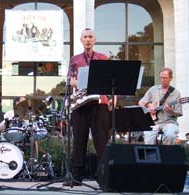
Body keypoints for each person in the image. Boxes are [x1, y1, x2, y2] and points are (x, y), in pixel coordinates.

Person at [63, 28, 114, 186]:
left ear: (95, 40)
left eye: (90, 37)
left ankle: (104, 178)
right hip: (81, 104)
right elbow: (70, 81)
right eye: (85, 37)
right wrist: (86, 82)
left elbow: (112, 80)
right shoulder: (75, 59)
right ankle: (76, 178)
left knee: (102, 143)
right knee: (78, 142)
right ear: (81, 40)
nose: (88, 39)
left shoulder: (103, 58)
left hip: (100, 104)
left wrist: (114, 98)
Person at [139, 67, 182, 145]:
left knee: (170, 135)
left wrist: (170, 111)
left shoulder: (176, 93)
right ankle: (151, 156)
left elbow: (178, 113)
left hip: (170, 122)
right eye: (161, 78)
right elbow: (141, 102)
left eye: (165, 78)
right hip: (154, 122)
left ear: (171, 78)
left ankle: (167, 154)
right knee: (148, 137)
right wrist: (149, 106)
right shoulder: (153, 89)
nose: (162, 80)